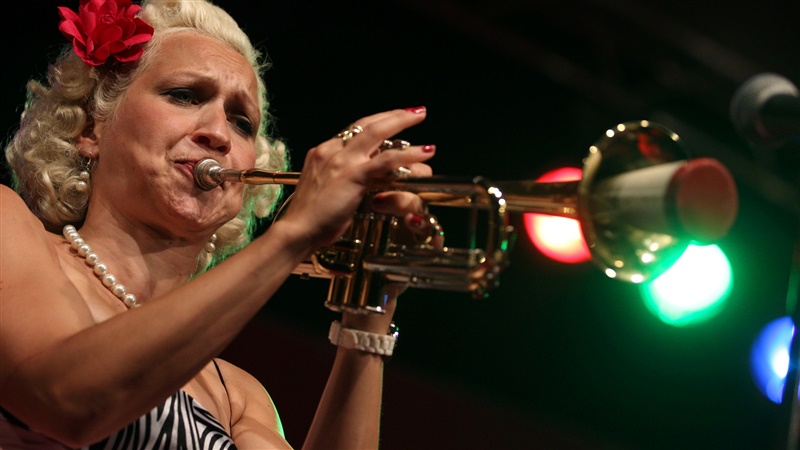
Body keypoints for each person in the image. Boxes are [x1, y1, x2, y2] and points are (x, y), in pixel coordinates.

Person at [0, 0, 436, 448]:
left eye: (242, 122)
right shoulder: (7, 222)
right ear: (91, 127)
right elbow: (63, 401)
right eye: (185, 95)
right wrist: (293, 235)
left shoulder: (238, 397)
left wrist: (370, 307)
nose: (219, 134)